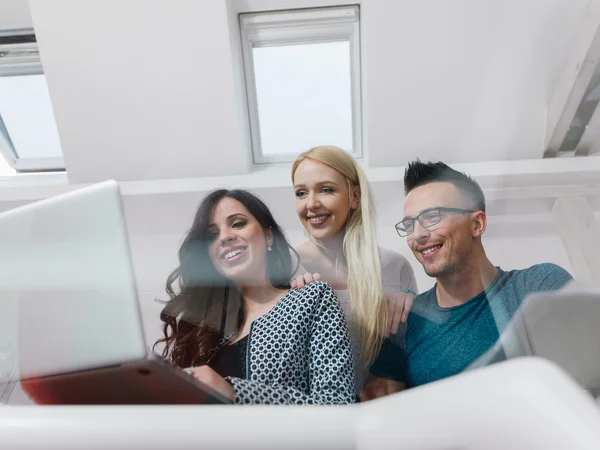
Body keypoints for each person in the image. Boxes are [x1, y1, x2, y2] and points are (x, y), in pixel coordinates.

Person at [366, 160, 573, 392]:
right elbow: (384, 413)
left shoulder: (540, 286)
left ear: (477, 224)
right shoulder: (404, 322)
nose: (418, 235)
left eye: (432, 217)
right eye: (409, 224)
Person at [154, 189, 355, 404]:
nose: (225, 237)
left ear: (268, 235)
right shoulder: (201, 327)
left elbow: (338, 405)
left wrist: (234, 391)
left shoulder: (311, 299)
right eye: (212, 235)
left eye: (238, 223)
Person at [290, 145, 418, 395]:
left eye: (326, 190)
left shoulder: (395, 267)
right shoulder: (285, 269)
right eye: (301, 193)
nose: (311, 204)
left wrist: (415, 307)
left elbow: (408, 356)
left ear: (355, 197)